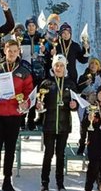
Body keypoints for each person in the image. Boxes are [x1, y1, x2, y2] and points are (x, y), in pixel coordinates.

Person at [0, 40, 33, 191]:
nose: (11, 53)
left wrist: (25, 103)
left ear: (19, 52)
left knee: (10, 149)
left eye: (14, 51)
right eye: (9, 50)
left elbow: (29, 93)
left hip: (14, 115)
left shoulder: (24, 72)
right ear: (4, 51)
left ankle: (7, 180)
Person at [37, 54, 78, 191]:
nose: (59, 68)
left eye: (61, 65)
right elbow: (40, 103)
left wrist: (75, 105)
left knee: (60, 154)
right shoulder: (46, 83)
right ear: (53, 67)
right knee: (48, 154)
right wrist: (39, 106)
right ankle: (45, 182)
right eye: (56, 65)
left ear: (65, 67)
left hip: (64, 125)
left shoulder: (70, 84)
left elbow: (76, 102)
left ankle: (60, 183)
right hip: (49, 124)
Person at [77, 57, 101, 155]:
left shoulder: (100, 76)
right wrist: (85, 85)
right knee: (84, 124)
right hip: (85, 102)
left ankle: (91, 145)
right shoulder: (83, 76)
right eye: (91, 63)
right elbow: (78, 89)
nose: (93, 66)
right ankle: (82, 143)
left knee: (94, 125)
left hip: (95, 103)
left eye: (95, 64)